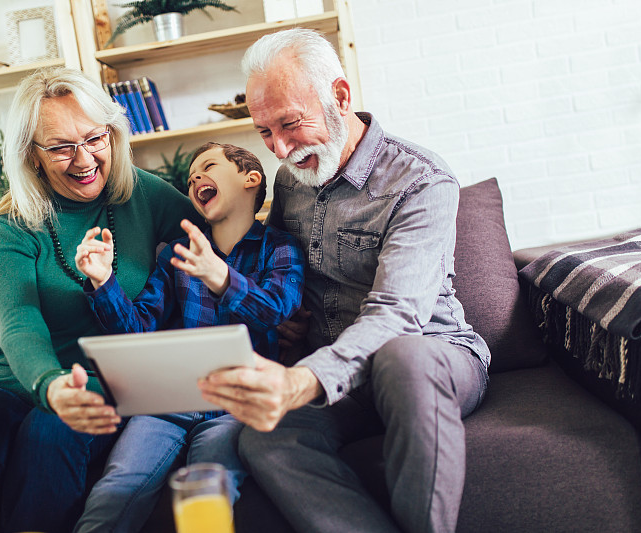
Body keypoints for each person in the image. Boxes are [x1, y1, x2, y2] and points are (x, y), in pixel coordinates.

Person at [197, 29, 492, 533]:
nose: (281, 149)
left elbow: (399, 315)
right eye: (265, 132)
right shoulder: (293, 179)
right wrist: (287, 319)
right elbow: (283, 269)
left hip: (428, 357)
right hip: (341, 378)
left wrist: (300, 379)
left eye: (291, 124)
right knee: (264, 436)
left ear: (339, 96)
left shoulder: (421, 180)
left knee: (403, 355)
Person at [0, 66, 203, 533]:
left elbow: (215, 243)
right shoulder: (10, 226)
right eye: (61, 147)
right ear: (32, 154)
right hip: (17, 378)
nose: (84, 159)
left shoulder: (145, 195)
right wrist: (50, 385)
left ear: (112, 133)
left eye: (94, 138)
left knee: (50, 432)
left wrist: (270, 307)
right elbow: (20, 324)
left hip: (104, 378)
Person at [71, 142, 305, 533]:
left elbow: (276, 309)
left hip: (234, 407)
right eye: (191, 175)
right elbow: (138, 328)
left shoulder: (279, 248)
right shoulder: (176, 255)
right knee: (117, 487)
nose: (195, 177)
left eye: (208, 167)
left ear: (251, 179)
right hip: (168, 401)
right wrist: (103, 280)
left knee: (208, 492)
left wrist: (220, 277)